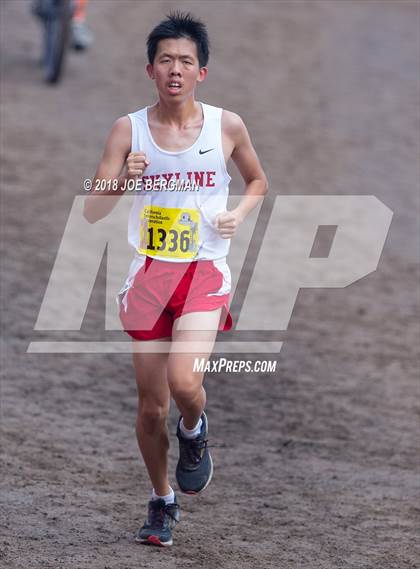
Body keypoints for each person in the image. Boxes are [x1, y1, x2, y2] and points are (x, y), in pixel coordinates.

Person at [83, 11, 268, 547]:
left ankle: (195, 430)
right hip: (148, 276)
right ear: (150, 69)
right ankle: (162, 502)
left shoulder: (225, 126)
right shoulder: (128, 129)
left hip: (204, 271)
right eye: (166, 60)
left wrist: (239, 213)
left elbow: (258, 179)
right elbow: (92, 209)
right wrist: (121, 180)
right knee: (150, 407)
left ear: (201, 72)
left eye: (186, 61)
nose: (175, 70)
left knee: (186, 384)